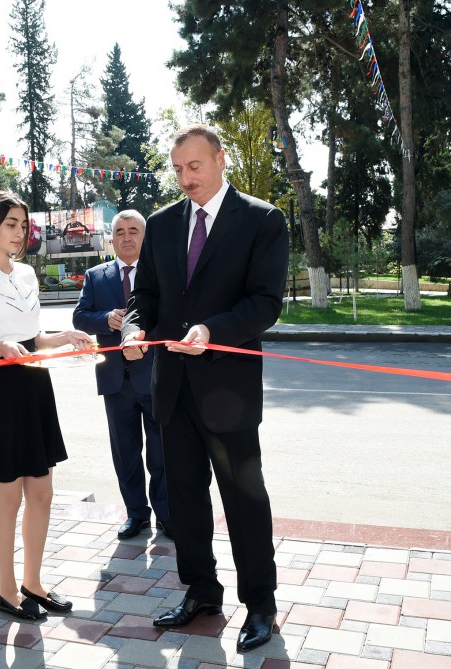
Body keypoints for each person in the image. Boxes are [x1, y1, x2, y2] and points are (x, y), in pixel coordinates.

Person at [121, 124, 289, 652]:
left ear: (220, 160)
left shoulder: (262, 220)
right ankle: (201, 591)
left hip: (230, 392)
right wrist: (132, 327)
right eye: (177, 169)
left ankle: (260, 603)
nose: (185, 178)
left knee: (244, 500)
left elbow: (265, 303)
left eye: (194, 166)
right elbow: (144, 295)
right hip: (171, 387)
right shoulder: (162, 224)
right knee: (186, 500)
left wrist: (212, 332)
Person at [0, 190, 93, 621]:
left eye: (22, 225)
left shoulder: (28, 275)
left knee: (43, 493)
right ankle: (7, 591)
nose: (19, 233)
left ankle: (34, 582)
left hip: (35, 387)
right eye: (11, 224)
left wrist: (64, 337)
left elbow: (33, 339)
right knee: (8, 497)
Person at [72, 210, 170, 541]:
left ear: (146, 237)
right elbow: (80, 317)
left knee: (161, 453)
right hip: (115, 382)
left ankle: (167, 516)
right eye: (119, 232)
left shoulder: (161, 274)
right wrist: (105, 319)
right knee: (125, 453)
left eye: (134, 231)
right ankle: (136, 515)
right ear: (111, 238)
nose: (126, 237)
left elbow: (173, 317)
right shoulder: (96, 275)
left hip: (156, 377)